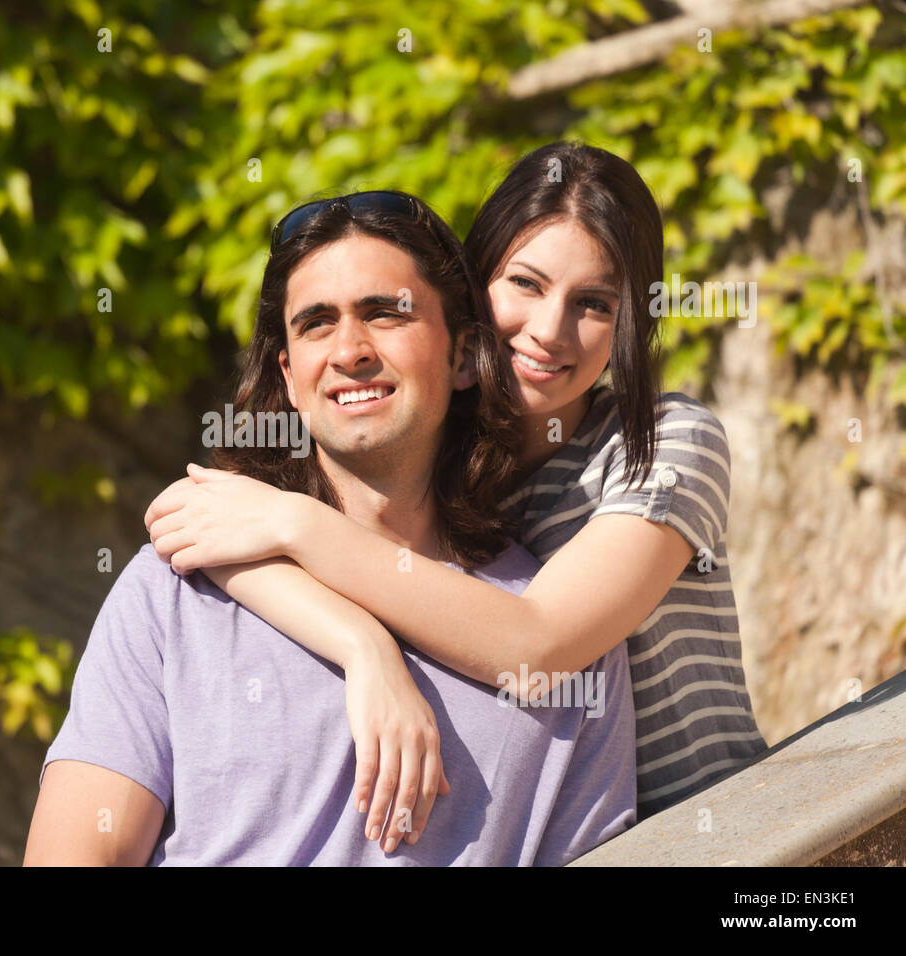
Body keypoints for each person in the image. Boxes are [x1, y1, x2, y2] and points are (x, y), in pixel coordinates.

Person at [146, 143, 767, 822]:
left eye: (592, 303)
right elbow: (208, 530)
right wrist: (361, 646)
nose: (549, 331)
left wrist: (295, 524)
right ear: (474, 294)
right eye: (525, 285)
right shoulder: (440, 451)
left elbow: (538, 646)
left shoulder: (666, 442)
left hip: (720, 831)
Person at [25, 190, 636, 866]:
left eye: (385, 313)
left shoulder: (564, 636)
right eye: (316, 324)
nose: (349, 350)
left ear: (463, 355)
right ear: (289, 377)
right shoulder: (177, 593)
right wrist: (365, 647)